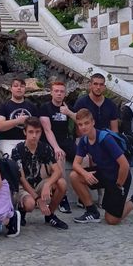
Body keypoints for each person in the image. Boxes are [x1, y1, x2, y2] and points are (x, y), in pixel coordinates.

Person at [70, 109, 133, 225]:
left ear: (93, 122)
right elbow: (76, 164)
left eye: (86, 123)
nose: (83, 127)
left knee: (111, 220)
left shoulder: (105, 139)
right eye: (80, 124)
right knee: (74, 176)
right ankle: (92, 212)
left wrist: (118, 186)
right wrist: (85, 174)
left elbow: (124, 165)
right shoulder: (84, 141)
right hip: (104, 173)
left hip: (119, 178)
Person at [11, 117, 68, 230]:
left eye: (37, 132)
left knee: (62, 183)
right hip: (23, 186)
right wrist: (37, 199)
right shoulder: (18, 149)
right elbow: (22, 179)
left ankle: (50, 214)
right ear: (25, 132)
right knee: (30, 204)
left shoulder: (45, 147)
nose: (34, 135)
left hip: (39, 183)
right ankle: (22, 210)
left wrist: (48, 184)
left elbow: (57, 171)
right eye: (31, 132)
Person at [38, 81, 76, 214]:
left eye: (62, 91)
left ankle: (82, 196)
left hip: (65, 141)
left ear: (65, 94)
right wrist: (56, 148)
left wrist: (69, 113)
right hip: (49, 142)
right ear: (51, 93)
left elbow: (82, 121)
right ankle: (62, 196)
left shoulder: (67, 107)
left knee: (85, 159)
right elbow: (47, 130)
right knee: (59, 157)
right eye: (56, 91)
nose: (59, 94)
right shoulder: (45, 108)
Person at [0, 78, 38, 156]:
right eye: (16, 86)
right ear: (11, 89)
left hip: (27, 141)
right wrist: (18, 121)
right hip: (7, 141)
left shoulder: (32, 107)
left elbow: (37, 126)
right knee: (12, 157)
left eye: (22, 86)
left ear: (25, 89)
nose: (19, 88)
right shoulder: (3, 106)